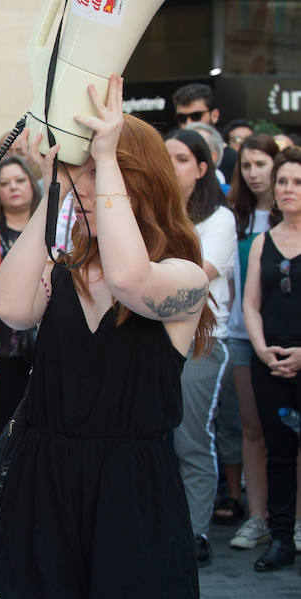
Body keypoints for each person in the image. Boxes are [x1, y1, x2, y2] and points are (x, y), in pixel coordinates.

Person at [0, 76, 212, 598]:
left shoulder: (185, 276)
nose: (84, 186)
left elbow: (130, 280)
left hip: (131, 491)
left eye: (96, 173)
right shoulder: (61, 266)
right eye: (81, 174)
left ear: (139, 179)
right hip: (45, 481)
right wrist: (52, 188)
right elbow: (11, 307)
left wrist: (107, 159)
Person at [165, 128, 237, 567]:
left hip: (201, 342)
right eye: (166, 157)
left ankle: (195, 531)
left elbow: (198, 274)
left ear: (202, 168)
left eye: (181, 159)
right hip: (153, 335)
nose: (171, 166)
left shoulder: (220, 219)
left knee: (191, 439)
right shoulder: (152, 211)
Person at [222, 134, 287, 550]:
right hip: (243, 335)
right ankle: (259, 516)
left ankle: (292, 518)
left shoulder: (290, 217)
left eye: (261, 164)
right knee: (252, 427)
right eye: (246, 166)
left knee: (289, 431)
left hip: (286, 335)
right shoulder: (237, 216)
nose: (254, 173)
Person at [243, 146, 301, 572]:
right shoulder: (263, 241)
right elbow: (250, 303)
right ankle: (281, 538)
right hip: (270, 361)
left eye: (297, 182)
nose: (287, 189)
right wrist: (261, 348)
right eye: (283, 181)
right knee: (278, 454)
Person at [0, 155, 43, 439]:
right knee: (7, 420)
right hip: (4, 341)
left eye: (19, 180)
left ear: (32, 183)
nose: (13, 187)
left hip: (47, 337)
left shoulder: (54, 224)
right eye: (5, 183)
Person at [173, 83, 237, 181]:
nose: (188, 123)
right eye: (182, 118)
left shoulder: (235, 161)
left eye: (196, 116)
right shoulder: (170, 157)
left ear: (214, 115)